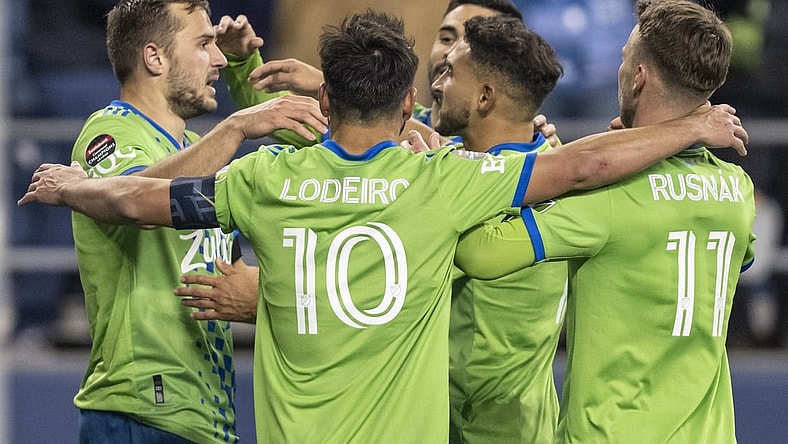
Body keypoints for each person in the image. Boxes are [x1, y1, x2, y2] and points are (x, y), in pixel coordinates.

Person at [19, 9, 748, 443]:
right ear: (408, 104)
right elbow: (579, 171)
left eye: (453, 62)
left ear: (328, 94)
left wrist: (79, 188)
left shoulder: (263, 179)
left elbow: (144, 204)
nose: (440, 75)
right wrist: (688, 128)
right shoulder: (443, 185)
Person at [454, 1, 755, 441]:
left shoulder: (606, 196)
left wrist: (449, 170)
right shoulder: (736, 190)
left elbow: (479, 254)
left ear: (639, 77)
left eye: (623, 58)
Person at [65, 0, 326, 443]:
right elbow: (135, 201)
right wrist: (237, 126)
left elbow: (329, 146)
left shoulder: (197, 147)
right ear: (155, 57)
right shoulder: (109, 133)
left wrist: (248, 74)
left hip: (207, 416)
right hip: (141, 410)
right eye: (203, 44)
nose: (219, 58)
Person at [428, 14, 567, 443]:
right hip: (524, 426)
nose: (436, 84)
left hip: (486, 431)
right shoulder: (559, 168)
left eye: (450, 74)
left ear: (485, 97)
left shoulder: (449, 183)